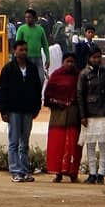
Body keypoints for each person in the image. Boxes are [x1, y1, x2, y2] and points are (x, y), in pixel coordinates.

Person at [0, 37, 43, 183]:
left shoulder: (32, 68)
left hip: (28, 110)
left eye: (25, 50)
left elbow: (37, 89)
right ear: (14, 51)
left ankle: (24, 170)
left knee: (25, 142)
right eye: (20, 50)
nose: (23, 52)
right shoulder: (8, 69)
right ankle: (15, 171)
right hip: (13, 110)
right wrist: (3, 110)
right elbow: (2, 90)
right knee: (14, 142)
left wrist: (36, 108)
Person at [77, 44, 105, 184]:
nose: (97, 60)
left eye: (99, 57)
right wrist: (82, 115)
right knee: (90, 145)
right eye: (94, 57)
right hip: (89, 114)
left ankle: (101, 173)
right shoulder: (84, 74)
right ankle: (92, 173)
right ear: (89, 58)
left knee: (103, 145)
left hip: (104, 112)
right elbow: (80, 95)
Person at [44, 53, 81, 183]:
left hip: (73, 115)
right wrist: (58, 103)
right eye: (67, 61)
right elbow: (47, 96)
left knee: (73, 145)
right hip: (58, 116)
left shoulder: (78, 76)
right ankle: (58, 173)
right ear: (62, 62)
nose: (70, 64)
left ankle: (72, 173)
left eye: (72, 62)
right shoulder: (55, 76)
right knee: (57, 144)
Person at [15, 8, 50, 84]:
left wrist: (48, 58)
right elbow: (17, 44)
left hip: (37, 58)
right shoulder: (21, 29)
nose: (27, 19)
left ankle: (37, 94)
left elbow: (45, 45)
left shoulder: (40, 30)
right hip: (25, 58)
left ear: (34, 18)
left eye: (29, 17)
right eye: (26, 17)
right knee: (27, 79)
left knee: (41, 78)